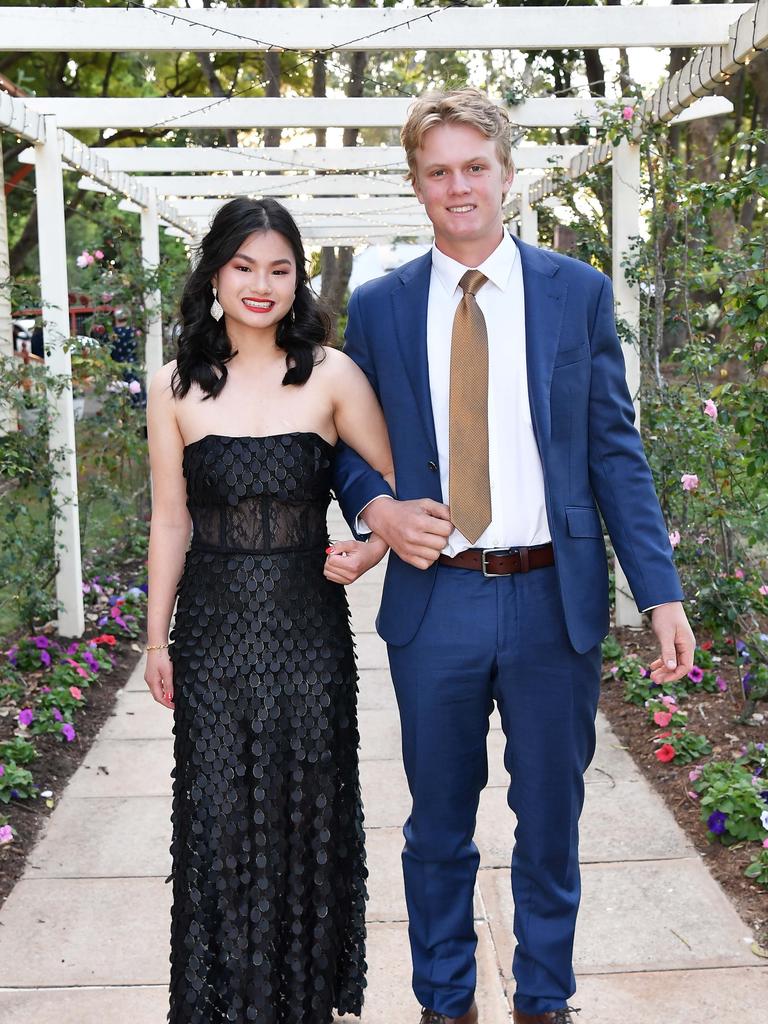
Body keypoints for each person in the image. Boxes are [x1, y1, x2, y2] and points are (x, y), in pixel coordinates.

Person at [327, 89, 695, 1024]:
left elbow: (615, 450)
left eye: (474, 167)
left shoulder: (576, 293)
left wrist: (660, 593)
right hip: (434, 599)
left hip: (549, 601)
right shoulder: (378, 308)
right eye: (439, 170)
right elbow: (344, 441)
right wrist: (377, 507)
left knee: (550, 827)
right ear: (418, 186)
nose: (460, 186)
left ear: (506, 173)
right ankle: (443, 1003)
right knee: (437, 827)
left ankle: (544, 1001)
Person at [144, 196, 391, 1024]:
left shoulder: (331, 373)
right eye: (245, 266)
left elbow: (388, 490)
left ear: (298, 280)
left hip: (308, 640)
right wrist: (156, 639)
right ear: (215, 273)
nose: (261, 284)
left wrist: (370, 546)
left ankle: (300, 1006)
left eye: (279, 269)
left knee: (303, 821)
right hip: (212, 640)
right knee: (218, 822)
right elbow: (170, 517)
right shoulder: (173, 387)